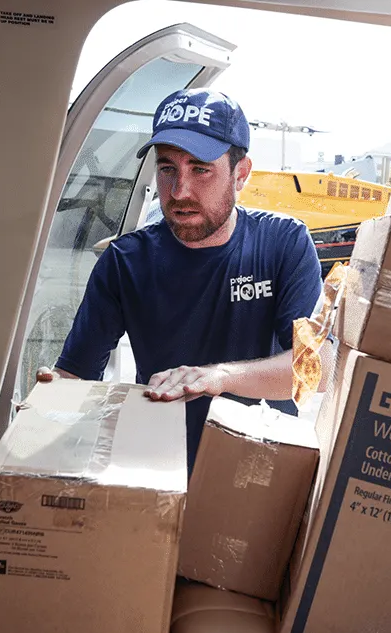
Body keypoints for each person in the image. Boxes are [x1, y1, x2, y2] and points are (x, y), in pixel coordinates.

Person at [37, 88, 323, 470]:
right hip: (158, 470)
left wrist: (219, 376)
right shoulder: (125, 262)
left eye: (200, 169)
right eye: (168, 168)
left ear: (241, 174)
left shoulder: (283, 244)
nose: (179, 191)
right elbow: (76, 374)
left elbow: (313, 369)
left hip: (261, 470)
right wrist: (51, 396)